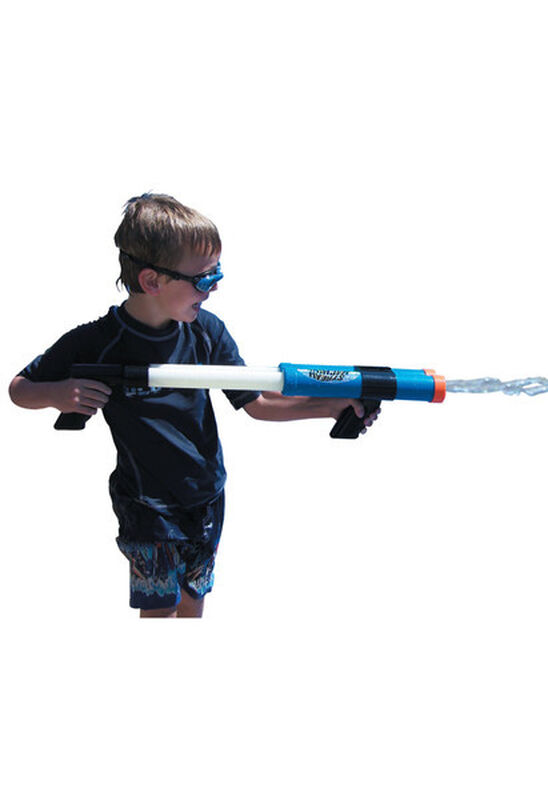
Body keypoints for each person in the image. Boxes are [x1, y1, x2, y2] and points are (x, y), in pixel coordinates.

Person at [8, 193, 379, 618]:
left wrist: (330, 406)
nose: (215, 285)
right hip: (146, 504)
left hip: (206, 495)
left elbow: (258, 400)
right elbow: (20, 388)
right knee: (160, 610)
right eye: (204, 278)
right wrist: (57, 394)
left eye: (217, 272)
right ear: (152, 281)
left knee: (192, 599)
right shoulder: (98, 341)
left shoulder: (206, 332)